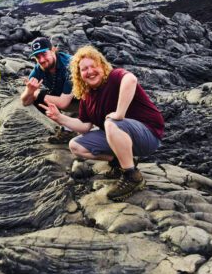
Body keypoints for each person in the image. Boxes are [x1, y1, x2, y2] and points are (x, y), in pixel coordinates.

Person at [42, 46, 164, 201]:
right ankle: (122, 163)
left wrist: (119, 113)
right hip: (120, 136)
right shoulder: (87, 96)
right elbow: (84, 126)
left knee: (111, 122)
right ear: (79, 74)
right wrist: (59, 117)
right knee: (75, 145)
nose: (90, 71)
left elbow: (131, 79)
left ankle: (131, 176)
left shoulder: (114, 76)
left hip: (148, 134)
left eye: (94, 66)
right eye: (84, 69)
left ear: (102, 66)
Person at [20, 36, 76, 144]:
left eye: (44, 54)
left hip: (89, 101)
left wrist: (37, 93)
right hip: (68, 99)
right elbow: (25, 102)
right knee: (36, 98)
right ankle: (68, 128)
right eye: (37, 56)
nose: (41, 60)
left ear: (53, 50)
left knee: (39, 95)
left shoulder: (70, 65)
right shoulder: (38, 70)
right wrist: (29, 91)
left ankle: (81, 122)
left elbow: (63, 103)